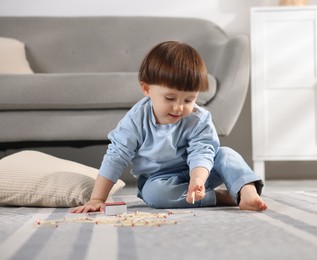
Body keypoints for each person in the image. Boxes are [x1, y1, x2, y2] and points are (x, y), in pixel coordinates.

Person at [71, 41, 267, 213]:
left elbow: (203, 151)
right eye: (170, 98)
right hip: (160, 179)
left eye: (189, 99)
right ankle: (223, 197)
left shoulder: (198, 119)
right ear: (147, 89)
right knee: (155, 195)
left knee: (226, 155)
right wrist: (97, 199)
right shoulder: (135, 120)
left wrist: (197, 179)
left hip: (201, 172)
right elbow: (116, 156)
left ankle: (246, 190)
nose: (179, 107)